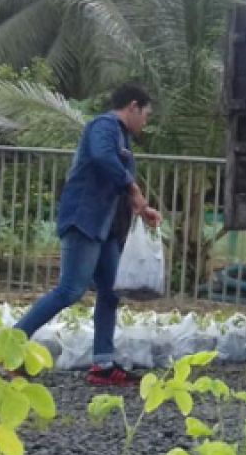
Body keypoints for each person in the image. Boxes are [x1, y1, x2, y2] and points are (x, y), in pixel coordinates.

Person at [14, 84, 162, 386]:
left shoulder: (121, 136)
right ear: (133, 106)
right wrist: (132, 187)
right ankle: (10, 349)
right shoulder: (104, 127)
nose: (145, 122)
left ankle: (103, 365)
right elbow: (101, 158)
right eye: (145, 115)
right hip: (85, 220)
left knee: (110, 292)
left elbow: (116, 178)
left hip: (105, 226)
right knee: (70, 290)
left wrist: (140, 207)